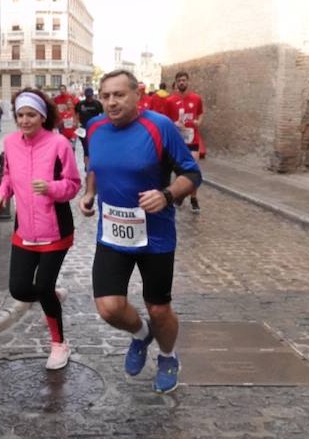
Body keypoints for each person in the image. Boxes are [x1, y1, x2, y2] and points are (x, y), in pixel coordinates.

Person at [78, 69, 201, 394]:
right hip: (113, 232)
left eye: (119, 95)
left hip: (155, 236)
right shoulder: (95, 127)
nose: (111, 102)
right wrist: (89, 193)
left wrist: (167, 195)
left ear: (137, 95)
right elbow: (96, 167)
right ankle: (141, 335)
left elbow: (192, 173)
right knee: (109, 308)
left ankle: (167, 355)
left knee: (159, 309)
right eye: (105, 96)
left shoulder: (159, 127)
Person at [0, 89, 81, 370]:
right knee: (18, 289)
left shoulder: (59, 145)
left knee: (43, 286)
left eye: (31, 114)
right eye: (20, 115)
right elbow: (7, 175)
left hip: (55, 229)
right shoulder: (10, 142)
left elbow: (73, 184)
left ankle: (58, 344)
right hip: (25, 229)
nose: (25, 120)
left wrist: (51, 188)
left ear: (42, 116)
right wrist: (2, 193)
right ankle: (52, 295)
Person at [165, 71, 205, 213]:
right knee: (180, 172)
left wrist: (198, 122)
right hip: (177, 141)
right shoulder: (170, 100)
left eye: (184, 80)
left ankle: (194, 198)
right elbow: (165, 119)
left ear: (188, 82)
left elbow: (200, 113)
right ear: (176, 83)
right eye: (179, 80)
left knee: (193, 170)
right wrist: (173, 123)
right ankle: (179, 195)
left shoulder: (196, 98)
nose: (182, 82)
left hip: (192, 140)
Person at [74, 87, 103, 169]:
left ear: (92, 95)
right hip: (83, 129)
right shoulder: (80, 103)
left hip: (95, 129)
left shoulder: (97, 104)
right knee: (86, 149)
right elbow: (75, 113)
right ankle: (87, 168)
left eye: (90, 96)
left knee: (94, 148)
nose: (89, 98)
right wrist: (76, 123)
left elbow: (103, 115)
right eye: (87, 96)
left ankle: (94, 165)